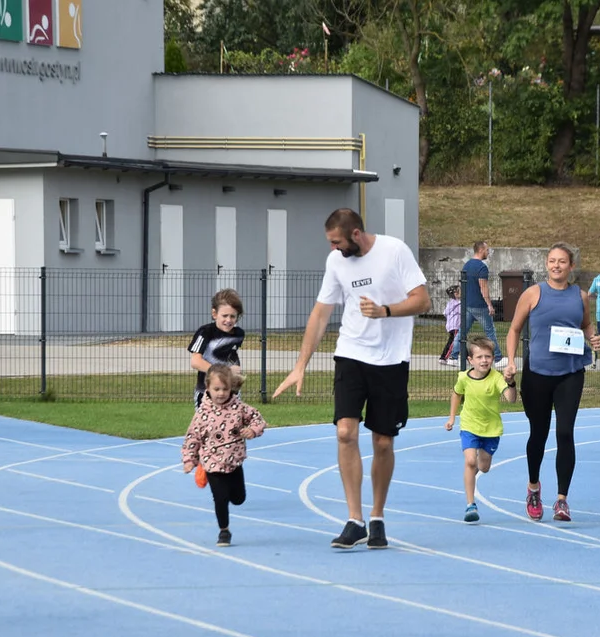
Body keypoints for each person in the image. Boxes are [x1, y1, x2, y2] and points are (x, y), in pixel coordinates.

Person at [273, 208, 430, 550]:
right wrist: (301, 365)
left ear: (356, 234)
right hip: (351, 354)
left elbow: (422, 299)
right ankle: (354, 519)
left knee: (383, 443)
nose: (333, 248)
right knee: (345, 432)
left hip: (391, 359)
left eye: (337, 242)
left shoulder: (394, 251)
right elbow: (320, 313)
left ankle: (376, 517)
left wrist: (385, 311)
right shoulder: (336, 263)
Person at [505, 243, 600, 523]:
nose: (556, 266)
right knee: (539, 433)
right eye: (551, 261)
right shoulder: (534, 293)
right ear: (546, 265)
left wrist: (593, 338)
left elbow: (585, 325)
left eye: (562, 261)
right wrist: (511, 361)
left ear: (571, 266)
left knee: (565, 433)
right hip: (537, 373)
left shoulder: (580, 296)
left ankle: (562, 500)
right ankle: (533, 488)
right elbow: (514, 329)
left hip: (570, 372)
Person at [181, 364, 266, 547]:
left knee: (238, 498)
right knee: (220, 498)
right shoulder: (202, 413)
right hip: (211, 463)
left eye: (225, 389)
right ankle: (224, 531)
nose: (221, 393)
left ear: (231, 388)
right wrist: (189, 460)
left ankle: (231, 496)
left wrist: (252, 430)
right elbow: (192, 437)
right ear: (208, 388)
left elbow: (257, 419)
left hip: (234, 462)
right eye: (216, 389)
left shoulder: (239, 408)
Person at [444, 336, 518, 522]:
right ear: (470, 360)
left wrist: (510, 382)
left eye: (488, 356)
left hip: (491, 429)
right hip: (469, 426)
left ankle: (473, 469)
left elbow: (511, 399)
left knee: (483, 467)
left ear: (493, 359)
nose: (484, 360)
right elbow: (456, 394)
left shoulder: (496, 378)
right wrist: (452, 417)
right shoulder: (463, 378)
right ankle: (471, 505)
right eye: (479, 357)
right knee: (470, 462)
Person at [449, 241, 505, 367]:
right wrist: (489, 305)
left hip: (467, 305)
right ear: (481, 250)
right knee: (490, 331)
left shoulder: (467, 265)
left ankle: (453, 357)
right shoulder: (482, 267)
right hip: (479, 306)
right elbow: (483, 287)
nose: (488, 252)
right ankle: (498, 358)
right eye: (487, 250)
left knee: (462, 332)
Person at [188, 288, 245, 408]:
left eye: (233, 316)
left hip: (231, 392)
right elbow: (195, 361)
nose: (228, 320)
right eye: (224, 316)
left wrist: (236, 372)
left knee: (234, 424)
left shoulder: (239, 334)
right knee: (208, 426)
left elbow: (230, 355)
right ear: (214, 314)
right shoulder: (205, 332)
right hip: (207, 392)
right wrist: (224, 372)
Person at [440, 284, 461, 363]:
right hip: (455, 326)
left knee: (462, 341)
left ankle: (468, 357)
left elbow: (445, 313)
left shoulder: (451, 303)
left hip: (453, 326)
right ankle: (443, 357)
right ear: (456, 294)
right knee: (453, 342)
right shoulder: (457, 304)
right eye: (460, 291)